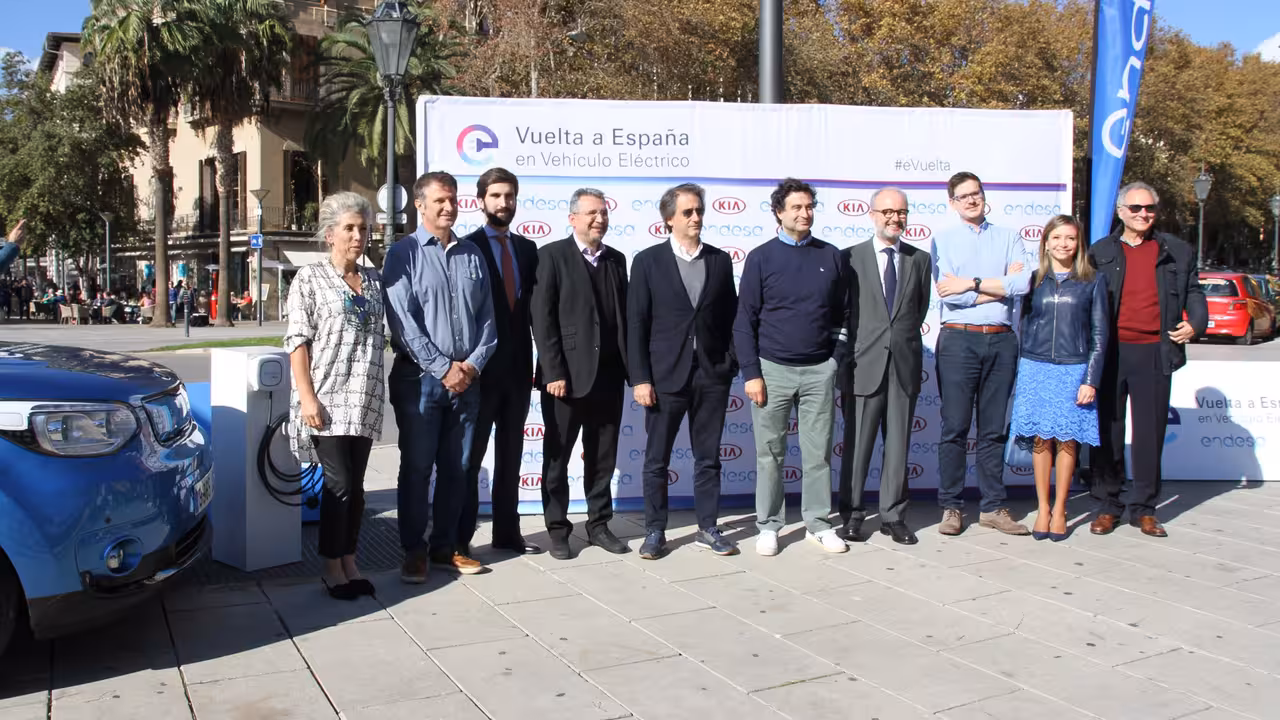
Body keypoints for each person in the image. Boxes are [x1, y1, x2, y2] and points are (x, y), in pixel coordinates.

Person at [383, 171, 496, 582]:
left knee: (459, 467)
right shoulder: (403, 254)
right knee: (417, 467)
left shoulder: (472, 254)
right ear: (420, 205)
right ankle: (414, 551)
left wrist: (472, 365)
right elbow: (404, 323)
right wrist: (443, 368)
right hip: (420, 381)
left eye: (453, 200)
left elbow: (488, 320)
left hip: (468, 380)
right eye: (440, 201)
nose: (449, 207)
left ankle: (446, 548)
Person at [734, 178, 849, 556]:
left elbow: (843, 315)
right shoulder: (761, 257)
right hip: (772, 370)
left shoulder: (831, 256)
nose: (804, 213)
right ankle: (768, 525)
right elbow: (744, 320)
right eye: (796, 207)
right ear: (778, 213)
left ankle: (819, 523)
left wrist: (833, 360)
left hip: (818, 370)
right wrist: (752, 373)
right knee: (770, 454)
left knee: (818, 454)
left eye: (809, 206)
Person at [1088, 182, 1207, 537]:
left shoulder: (1177, 250)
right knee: (1108, 432)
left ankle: (1144, 508)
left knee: (1150, 435)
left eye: (1150, 208)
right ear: (1121, 212)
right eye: (1136, 208)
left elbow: (1194, 291)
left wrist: (1196, 322)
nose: (1143, 214)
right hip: (1111, 353)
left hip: (1156, 351)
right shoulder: (1100, 251)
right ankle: (1108, 505)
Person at [628, 183, 739, 560]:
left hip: (711, 375)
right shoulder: (647, 261)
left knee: (708, 458)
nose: (696, 218)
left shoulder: (720, 260)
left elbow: (731, 317)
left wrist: (729, 363)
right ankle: (655, 530)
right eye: (688, 212)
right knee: (657, 459)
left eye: (699, 211)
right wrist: (641, 378)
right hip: (664, 377)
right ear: (669, 219)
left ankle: (708, 527)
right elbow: (636, 323)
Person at [284, 192, 386, 600]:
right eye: (349, 228)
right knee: (338, 484)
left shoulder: (374, 281)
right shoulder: (309, 279)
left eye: (363, 228)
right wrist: (307, 397)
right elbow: (297, 342)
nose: (358, 236)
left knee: (356, 488)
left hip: (365, 397)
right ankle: (330, 566)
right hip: (326, 397)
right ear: (330, 235)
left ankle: (350, 561)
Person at [932, 171, 1034, 536]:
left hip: (1002, 340)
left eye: (976, 193)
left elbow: (1022, 284)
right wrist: (998, 288)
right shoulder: (942, 240)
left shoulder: (1009, 237)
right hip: (959, 340)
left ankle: (993, 507)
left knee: (993, 430)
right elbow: (949, 295)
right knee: (955, 428)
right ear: (953, 203)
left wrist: (971, 283)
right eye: (964, 196)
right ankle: (951, 506)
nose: (972, 200)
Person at [531, 188, 630, 560]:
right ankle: (558, 529)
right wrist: (553, 371)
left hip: (608, 377)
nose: (599, 219)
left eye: (603, 213)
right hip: (565, 380)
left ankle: (599, 525)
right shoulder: (551, 256)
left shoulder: (616, 260)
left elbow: (623, 320)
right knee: (557, 458)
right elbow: (542, 318)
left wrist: (633, 372)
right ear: (573, 218)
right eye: (591, 213)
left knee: (603, 457)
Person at [837, 187, 932, 545]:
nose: (895, 218)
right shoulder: (849, 258)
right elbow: (843, 313)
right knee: (857, 445)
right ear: (872, 214)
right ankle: (852, 515)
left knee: (898, 446)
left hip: (903, 366)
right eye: (888, 212)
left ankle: (893, 516)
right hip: (863, 365)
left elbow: (918, 310)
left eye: (901, 212)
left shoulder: (920, 259)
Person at [1009, 215, 1109, 541]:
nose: (1063, 244)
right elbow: (1020, 322)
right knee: (1041, 440)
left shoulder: (1093, 281)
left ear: (1078, 244)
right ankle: (1042, 508)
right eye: (1057, 238)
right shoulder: (1032, 280)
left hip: (1073, 368)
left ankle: (1061, 508)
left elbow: (1100, 334)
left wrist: (1090, 379)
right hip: (1035, 366)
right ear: (1046, 243)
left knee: (1067, 441)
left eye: (1070, 238)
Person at [460, 168, 543, 555]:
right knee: (470, 457)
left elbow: (534, 310)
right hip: (479, 372)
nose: (503, 202)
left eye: (509, 196)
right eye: (495, 195)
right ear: (481, 201)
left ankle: (507, 533)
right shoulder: (466, 247)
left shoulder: (527, 249)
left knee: (511, 455)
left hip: (518, 371)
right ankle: (459, 540)